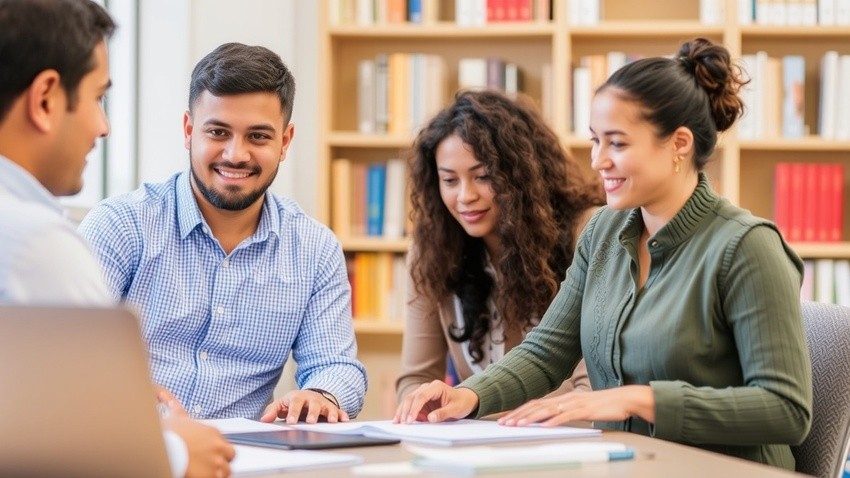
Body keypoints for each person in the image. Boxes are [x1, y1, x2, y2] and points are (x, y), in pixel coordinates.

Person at [394, 37, 812, 471]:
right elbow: (546, 351)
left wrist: (641, 399)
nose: (597, 161)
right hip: (631, 465)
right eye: (596, 141)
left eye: (617, 144)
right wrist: (471, 394)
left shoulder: (747, 246)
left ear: (679, 144)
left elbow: (787, 410)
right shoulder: (604, 233)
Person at [0, 1, 235, 477]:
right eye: (97, 97)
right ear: (45, 98)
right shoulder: (34, 242)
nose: (103, 126)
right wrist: (179, 452)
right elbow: (95, 449)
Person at [79, 42, 367, 423]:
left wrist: (320, 393)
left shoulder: (314, 249)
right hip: (131, 445)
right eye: (218, 132)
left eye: (259, 137)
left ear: (285, 142)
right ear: (188, 130)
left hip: (242, 460)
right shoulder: (120, 225)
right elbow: (66, 353)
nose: (236, 154)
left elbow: (336, 364)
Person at [396, 90, 604, 403]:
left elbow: (593, 387)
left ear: (523, 174)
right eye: (449, 180)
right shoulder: (431, 253)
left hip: (566, 440)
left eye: (482, 176)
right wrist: (425, 406)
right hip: (479, 443)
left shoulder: (587, 232)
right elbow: (416, 379)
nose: (465, 196)